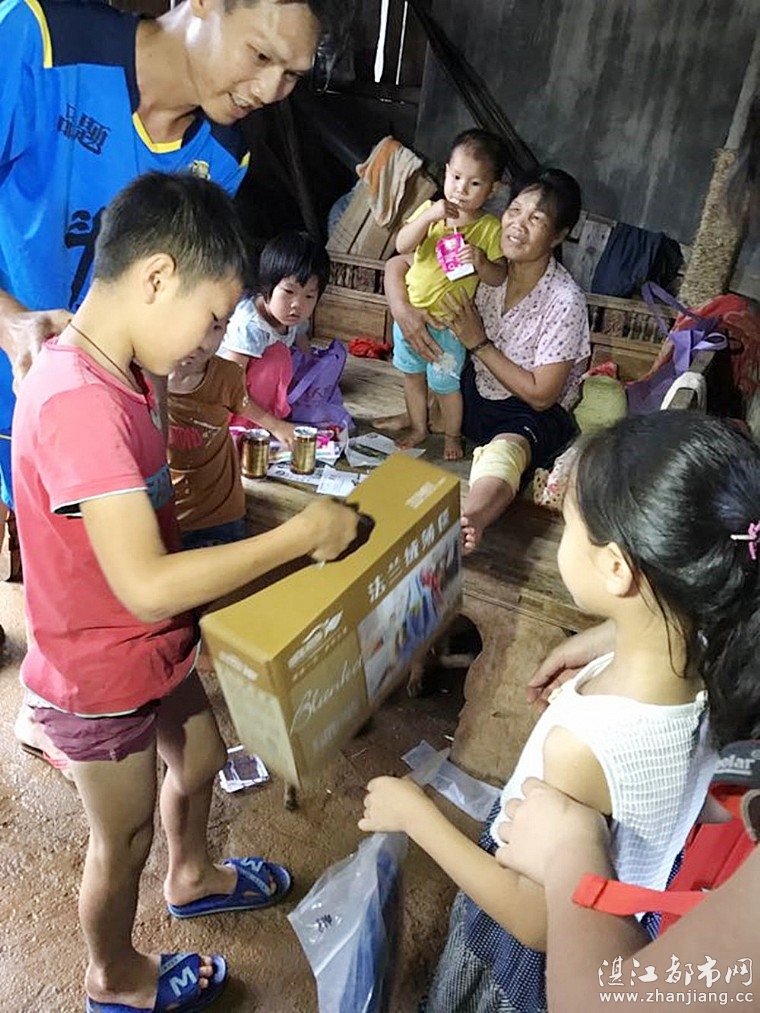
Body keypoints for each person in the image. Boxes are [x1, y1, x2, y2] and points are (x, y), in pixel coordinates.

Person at [12, 172, 359, 1013]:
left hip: (154, 646)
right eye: (210, 316)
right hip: (99, 674)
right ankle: (113, 976)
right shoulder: (80, 403)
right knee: (123, 836)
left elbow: (153, 472)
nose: (214, 335)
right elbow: (143, 583)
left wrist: (166, 379)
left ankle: (194, 873)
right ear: (157, 278)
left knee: (200, 758)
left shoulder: (123, 368)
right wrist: (298, 536)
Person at [0, 0, 340, 758]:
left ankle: (62, 701)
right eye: (261, 55)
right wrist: (12, 321)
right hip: (25, 355)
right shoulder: (39, 41)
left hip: (100, 397)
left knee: (85, 557)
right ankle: (59, 701)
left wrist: (152, 426)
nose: (272, 90)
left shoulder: (225, 149)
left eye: (292, 75)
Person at [357, 409, 760, 1012]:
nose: (561, 536)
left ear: (618, 569)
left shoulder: (584, 743)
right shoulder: (723, 654)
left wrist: (416, 816)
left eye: (569, 525)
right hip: (631, 898)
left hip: (551, 944)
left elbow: (537, 920)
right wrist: (606, 638)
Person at [384, 166, 590, 551]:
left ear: (558, 236)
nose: (517, 225)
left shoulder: (564, 300)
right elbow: (399, 263)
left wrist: (478, 342)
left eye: (536, 220)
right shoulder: (481, 263)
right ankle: (426, 416)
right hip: (472, 391)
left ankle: (471, 518)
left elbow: (542, 395)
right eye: (515, 211)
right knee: (430, 381)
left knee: (506, 452)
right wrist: (402, 309)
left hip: (525, 414)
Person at [390, 129, 507, 461]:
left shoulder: (489, 229)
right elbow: (401, 245)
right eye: (456, 177)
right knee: (412, 377)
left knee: (446, 386)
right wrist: (429, 216)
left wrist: (481, 262)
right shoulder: (431, 212)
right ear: (445, 172)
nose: (461, 189)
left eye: (474, 183)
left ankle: (453, 435)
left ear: (493, 189)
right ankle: (419, 427)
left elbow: (499, 277)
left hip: (450, 325)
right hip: (411, 316)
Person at [219, 230, 330, 444]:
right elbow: (229, 388)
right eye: (289, 292)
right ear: (267, 286)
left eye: (309, 295)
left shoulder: (292, 318)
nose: (298, 304)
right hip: (224, 404)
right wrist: (276, 425)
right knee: (276, 358)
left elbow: (303, 345)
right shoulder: (249, 326)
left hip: (252, 400)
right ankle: (245, 425)